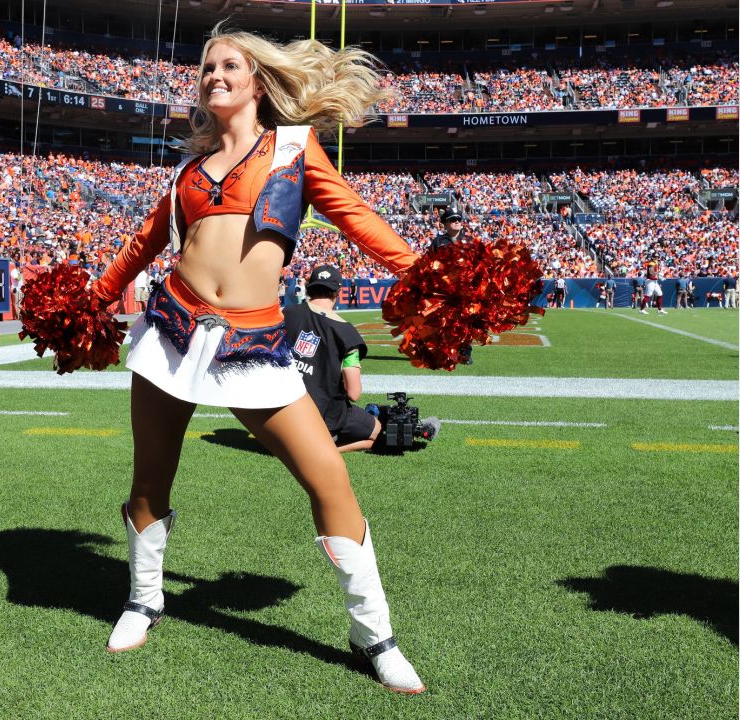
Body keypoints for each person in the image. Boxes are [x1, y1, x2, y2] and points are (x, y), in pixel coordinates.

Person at [77, 25, 426, 693]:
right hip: (171, 332)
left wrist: (421, 271)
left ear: (257, 81)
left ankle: (373, 634)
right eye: (207, 67)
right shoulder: (186, 170)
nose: (214, 75)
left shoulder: (295, 148)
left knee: (330, 480)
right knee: (151, 481)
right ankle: (143, 599)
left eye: (229, 65)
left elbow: (355, 216)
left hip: (252, 343)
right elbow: (141, 247)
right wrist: (88, 302)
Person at [284, 265, 379, 453]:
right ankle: (327, 450)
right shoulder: (346, 331)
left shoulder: (286, 313)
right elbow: (354, 393)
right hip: (322, 418)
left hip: (282, 416)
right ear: (338, 292)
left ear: (309, 286)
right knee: (377, 432)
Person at [429, 207, 474, 364]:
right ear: (445, 224)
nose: (457, 222)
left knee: (467, 322)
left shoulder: (470, 241)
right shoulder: (438, 242)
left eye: (459, 220)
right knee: (446, 322)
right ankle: (447, 351)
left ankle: (465, 352)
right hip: (445, 290)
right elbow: (429, 264)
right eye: (453, 220)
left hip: (466, 289)